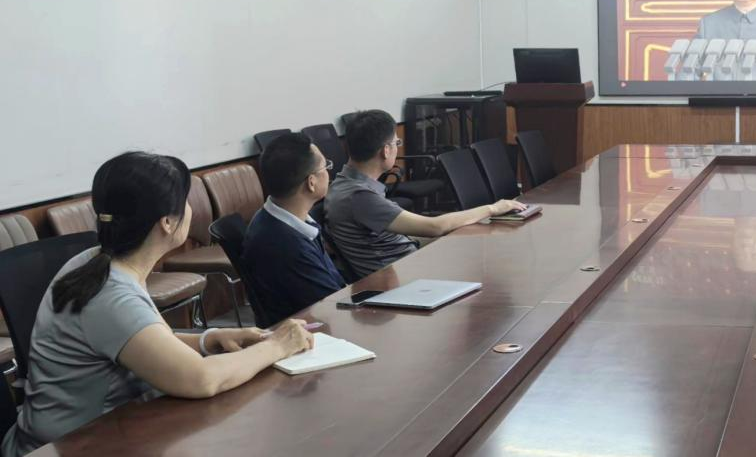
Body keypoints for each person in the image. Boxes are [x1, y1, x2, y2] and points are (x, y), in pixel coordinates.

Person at [1, 152, 313, 457]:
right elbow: (201, 379)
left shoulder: (97, 261)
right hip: (73, 444)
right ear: (166, 222)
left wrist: (209, 339)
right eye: (185, 201)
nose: (190, 209)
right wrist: (278, 346)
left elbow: (142, 340)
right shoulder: (110, 295)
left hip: (107, 429)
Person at [323, 110, 526, 281]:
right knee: (490, 267)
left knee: (476, 249)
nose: (397, 148)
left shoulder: (343, 183)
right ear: (386, 151)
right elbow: (433, 227)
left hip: (406, 265)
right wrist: (493, 208)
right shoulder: (359, 196)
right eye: (397, 143)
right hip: (399, 279)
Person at [242, 132, 345, 328]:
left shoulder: (282, 217)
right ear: (311, 182)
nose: (328, 172)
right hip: (313, 332)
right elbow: (331, 307)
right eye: (326, 167)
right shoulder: (283, 243)